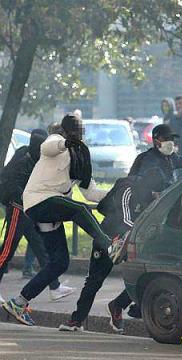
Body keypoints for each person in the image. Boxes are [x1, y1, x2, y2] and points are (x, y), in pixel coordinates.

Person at [2, 114, 110, 326]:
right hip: (38, 200)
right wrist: (65, 142)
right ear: (66, 131)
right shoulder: (54, 142)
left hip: (51, 212)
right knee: (79, 209)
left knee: (60, 263)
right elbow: (48, 148)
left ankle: (18, 302)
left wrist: (115, 193)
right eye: (75, 132)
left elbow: (91, 192)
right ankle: (108, 244)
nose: (79, 135)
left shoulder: (80, 157)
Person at [59, 169, 165, 333]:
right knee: (95, 280)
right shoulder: (127, 189)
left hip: (133, 240)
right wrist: (140, 232)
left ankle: (118, 305)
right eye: (156, 192)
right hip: (109, 237)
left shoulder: (152, 197)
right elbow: (124, 218)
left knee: (144, 276)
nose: (157, 196)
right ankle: (77, 319)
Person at [0, 129, 75, 303]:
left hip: (30, 210)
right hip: (19, 209)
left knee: (42, 248)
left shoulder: (38, 158)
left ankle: (54, 287)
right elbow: (10, 182)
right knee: (7, 250)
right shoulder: (24, 158)